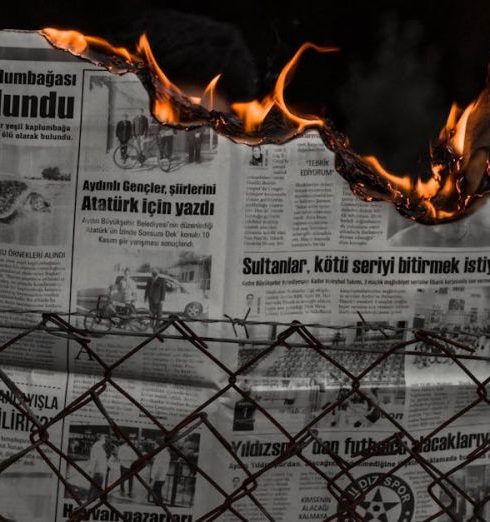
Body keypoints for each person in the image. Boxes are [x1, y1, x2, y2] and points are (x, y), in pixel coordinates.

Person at [86, 433, 108, 502]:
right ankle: (92, 500)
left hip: (100, 470)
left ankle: (89, 499)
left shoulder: (100, 446)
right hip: (99, 470)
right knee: (97, 487)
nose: (105, 439)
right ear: (100, 438)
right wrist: (90, 469)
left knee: (94, 485)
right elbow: (94, 459)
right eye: (104, 438)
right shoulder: (97, 446)